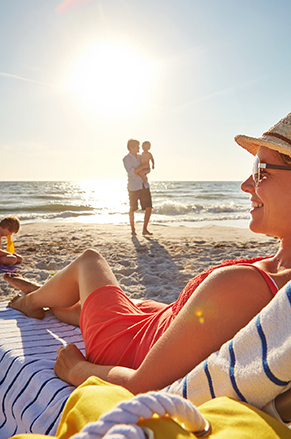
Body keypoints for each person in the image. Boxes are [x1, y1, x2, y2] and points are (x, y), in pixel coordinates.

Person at [5, 112, 291, 398]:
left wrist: (75, 370)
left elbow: (142, 387)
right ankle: (52, 298)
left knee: (90, 261)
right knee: (112, 305)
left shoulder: (242, 286)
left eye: (261, 171)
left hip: (129, 345)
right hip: (160, 323)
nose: (246, 184)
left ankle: (31, 302)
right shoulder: (275, 280)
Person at [123, 138, 153, 236]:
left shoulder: (141, 157)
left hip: (144, 185)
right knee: (132, 209)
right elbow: (131, 172)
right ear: (131, 148)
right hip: (133, 187)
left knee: (149, 207)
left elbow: (147, 167)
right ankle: (133, 229)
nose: (139, 148)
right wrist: (142, 168)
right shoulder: (126, 159)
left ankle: (145, 229)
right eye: (137, 146)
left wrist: (143, 169)